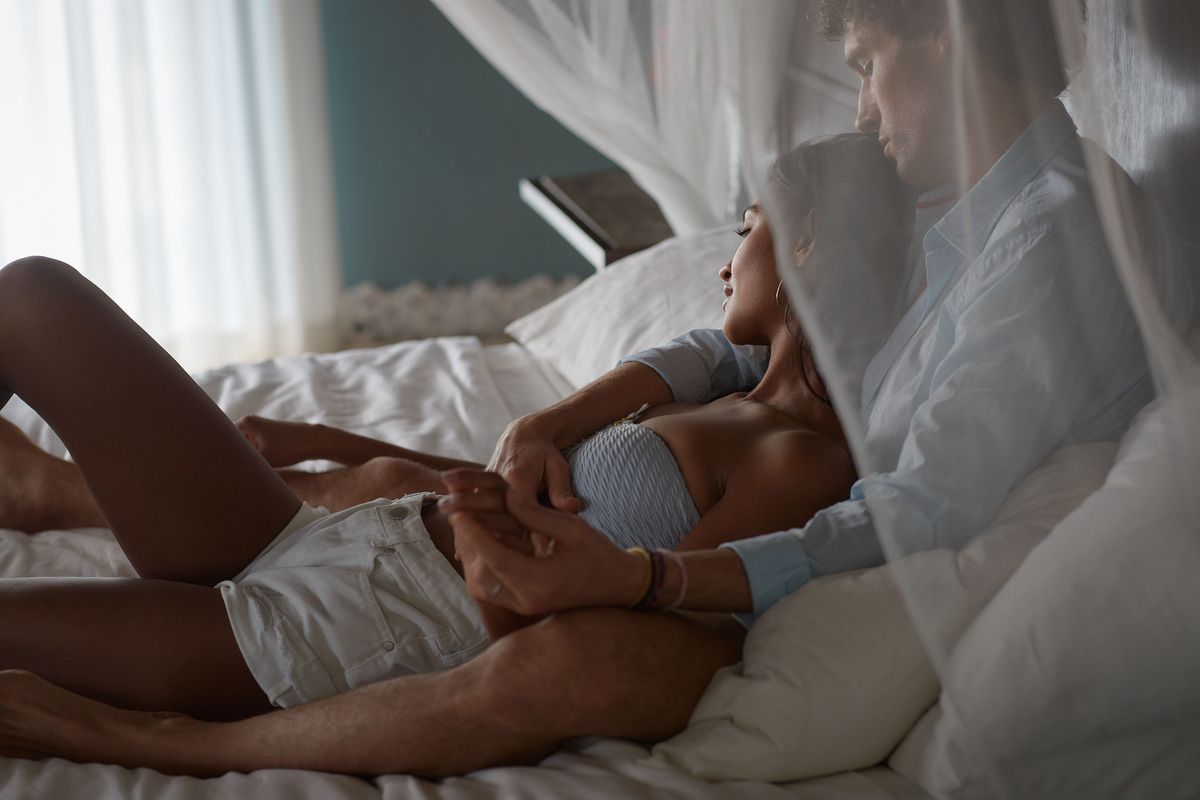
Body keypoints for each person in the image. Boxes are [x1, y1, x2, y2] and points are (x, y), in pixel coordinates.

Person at [0, 0, 1186, 778]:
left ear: (956, 36)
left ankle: (157, 703)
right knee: (32, 292)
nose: (864, 107)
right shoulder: (936, 207)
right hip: (364, 538)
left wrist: (632, 571)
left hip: (357, 611)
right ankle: (64, 495)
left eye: (871, 64)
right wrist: (554, 415)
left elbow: (917, 508)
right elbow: (746, 343)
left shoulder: (1052, 250)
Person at [0, 135, 907, 717]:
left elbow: (649, 617)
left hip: (371, 626)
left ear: (807, 240)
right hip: (352, 540)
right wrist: (354, 449)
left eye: (743, 231)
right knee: (33, 296)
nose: (721, 263)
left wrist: (491, 549)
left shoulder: (799, 463)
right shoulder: (733, 385)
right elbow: (551, 493)